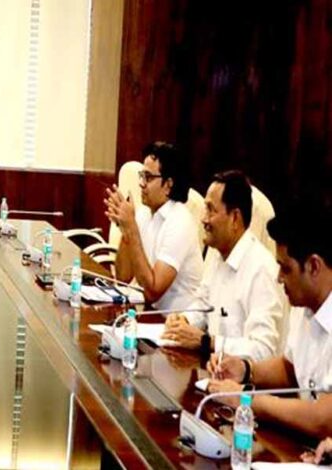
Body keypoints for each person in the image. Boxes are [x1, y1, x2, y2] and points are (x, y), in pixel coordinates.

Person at [208, 196, 332, 438]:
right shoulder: (304, 304)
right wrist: (245, 370)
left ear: (314, 266)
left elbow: (323, 419)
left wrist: (246, 400)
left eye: (286, 268)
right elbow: (290, 368)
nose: (279, 278)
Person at [162, 170, 286, 361]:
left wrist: (208, 342)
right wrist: (183, 320)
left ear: (235, 218)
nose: (203, 219)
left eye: (211, 210)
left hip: (243, 378)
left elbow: (263, 350)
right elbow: (203, 306)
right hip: (213, 370)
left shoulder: (261, 269)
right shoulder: (218, 255)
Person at [105, 141, 203, 310]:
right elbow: (122, 277)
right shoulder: (144, 213)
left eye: (148, 178)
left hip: (178, 320)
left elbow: (153, 291)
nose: (141, 183)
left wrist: (132, 229)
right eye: (142, 176)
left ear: (168, 185)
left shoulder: (180, 222)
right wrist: (126, 230)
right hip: (149, 313)